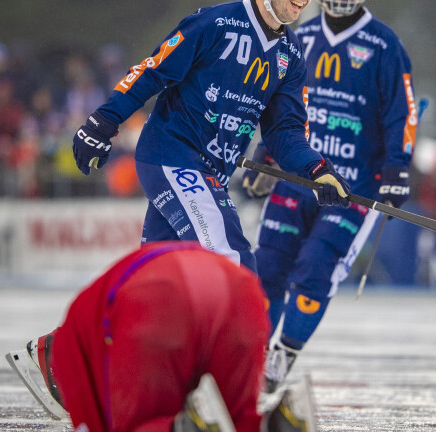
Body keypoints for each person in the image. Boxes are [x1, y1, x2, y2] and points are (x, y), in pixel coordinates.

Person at [71, 0, 352, 274]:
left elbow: (286, 131)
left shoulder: (291, 54)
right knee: (234, 264)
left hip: (213, 172)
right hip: (172, 155)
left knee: (160, 283)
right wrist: (102, 122)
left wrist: (316, 170)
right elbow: (153, 71)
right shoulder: (215, 22)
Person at [239, 0, 416, 393]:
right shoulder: (299, 35)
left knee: (315, 268)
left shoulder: (385, 44)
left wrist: (397, 169)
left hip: (353, 186)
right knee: (268, 267)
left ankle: (283, 355)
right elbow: (276, 101)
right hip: (298, 175)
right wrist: (265, 154)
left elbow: (402, 112)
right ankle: (251, 357)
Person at [5, 242, 316, 432]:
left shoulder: (72, 349)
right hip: (240, 290)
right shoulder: (83, 314)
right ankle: (280, 423)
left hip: (160, 298)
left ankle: (187, 428)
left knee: (144, 424)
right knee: (236, 418)